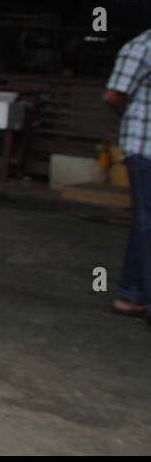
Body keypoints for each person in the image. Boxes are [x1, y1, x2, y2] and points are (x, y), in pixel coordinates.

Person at [104, 27, 151, 321]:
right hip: (145, 147)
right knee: (148, 225)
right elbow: (113, 96)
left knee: (144, 223)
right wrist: (132, 119)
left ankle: (130, 293)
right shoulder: (142, 46)